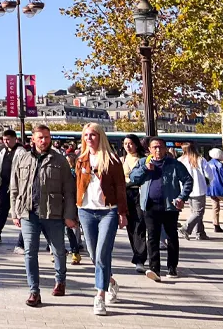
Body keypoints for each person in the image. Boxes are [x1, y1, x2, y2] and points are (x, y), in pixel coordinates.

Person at [8, 124, 75, 307]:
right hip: (29, 213)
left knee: (58, 250)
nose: (44, 140)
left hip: (53, 213)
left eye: (47, 137)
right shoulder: (22, 159)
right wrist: (15, 212)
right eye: (40, 137)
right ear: (33, 140)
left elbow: (69, 190)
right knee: (30, 251)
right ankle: (34, 291)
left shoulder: (59, 160)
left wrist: (69, 215)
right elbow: (14, 187)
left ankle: (60, 280)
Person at [75, 123, 128, 316]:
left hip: (108, 211)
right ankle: (111, 281)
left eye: (93, 135)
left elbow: (121, 188)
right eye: (86, 135)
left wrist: (122, 213)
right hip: (86, 211)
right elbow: (78, 186)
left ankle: (99, 297)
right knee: (92, 253)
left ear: (100, 136)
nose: (89, 138)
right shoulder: (81, 159)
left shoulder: (112, 160)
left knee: (102, 254)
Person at [130, 136, 193, 282]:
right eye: (154, 147)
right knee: (152, 237)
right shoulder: (143, 162)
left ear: (165, 149)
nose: (158, 150)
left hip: (169, 206)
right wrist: (145, 169)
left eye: (160, 147)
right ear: (149, 150)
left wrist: (182, 197)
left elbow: (188, 180)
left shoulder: (173, 164)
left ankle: (172, 267)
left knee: (171, 237)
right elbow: (133, 178)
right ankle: (154, 269)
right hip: (150, 206)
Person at [0, 129, 24, 243]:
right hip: (4, 185)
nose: (6, 142)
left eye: (8, 139)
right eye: (4, 139)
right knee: (1, 209)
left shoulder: (21, 152)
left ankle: (23, 239)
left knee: (19, 211)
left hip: (16, 186)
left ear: (14, 139)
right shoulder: (3, 151)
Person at [121, 133, 148, 272]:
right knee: (130, 226)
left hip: (138, 192)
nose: (128, 146)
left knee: (139, 225)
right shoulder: (123, 159)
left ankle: (140, 258)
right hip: (126, 194)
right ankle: (136, 254)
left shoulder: (143, 159)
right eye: (125, 144)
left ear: (136, 144)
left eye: (130, 143)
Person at [179, 142, 211, 241]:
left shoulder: (180, 160)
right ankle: (186, 228)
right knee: (198, 212)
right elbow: (209, 174)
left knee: (194, 211)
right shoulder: (200, 160)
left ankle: (200, 233)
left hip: (186, 189)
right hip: (198, 188)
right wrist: (208, 182)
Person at [207, 148, 223, 234]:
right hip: (220, 188)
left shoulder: (208, 164)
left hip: (211, 188)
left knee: (215, 207)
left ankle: (216, 224)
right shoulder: (220, 165)